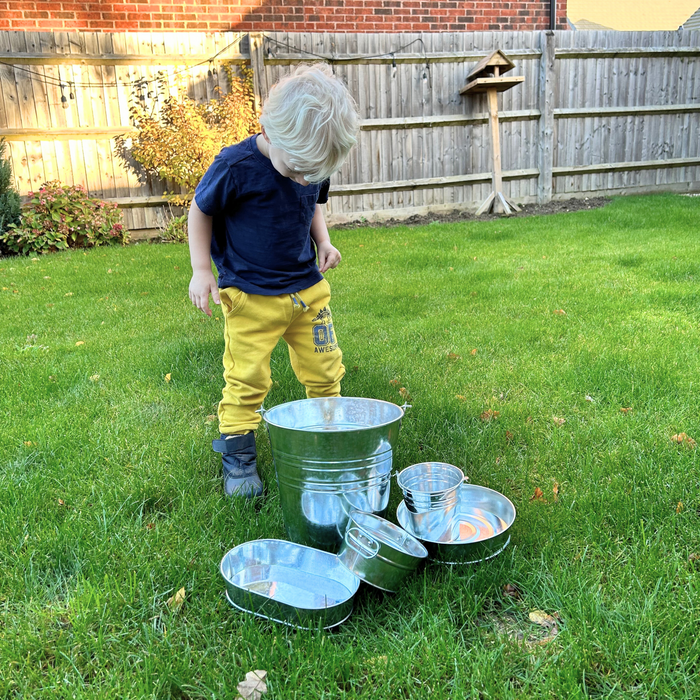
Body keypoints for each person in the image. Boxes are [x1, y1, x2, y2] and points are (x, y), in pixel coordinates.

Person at [187, 65, 360, 498]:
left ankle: (327, 434)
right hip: (250, 295)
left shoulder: (309, 159)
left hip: (307, 290)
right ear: (270, 131)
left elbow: (314, 203)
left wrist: (323, 240)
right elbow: (200, 211)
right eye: (298, 170)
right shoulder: (235, 166)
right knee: (247, 378)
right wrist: (201, 270)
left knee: (326, 367)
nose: (305, 180)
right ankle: (239, 456)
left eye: (313, 174)